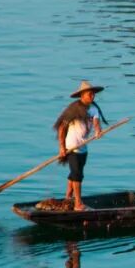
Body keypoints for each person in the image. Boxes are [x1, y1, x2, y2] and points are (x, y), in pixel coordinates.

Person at [53, 80, 104, 211]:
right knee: (77, 175)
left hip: (83, 147)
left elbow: (96, 122)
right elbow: (61, 128)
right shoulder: (74, 109)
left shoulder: (94, 109)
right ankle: (77, 203)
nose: (92, 96)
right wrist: (62, 147)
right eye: (89, 94)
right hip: (72, 147)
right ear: (82, 95)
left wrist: (98, 131)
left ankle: (68, 197)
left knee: (76, 173)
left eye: (93, 94)